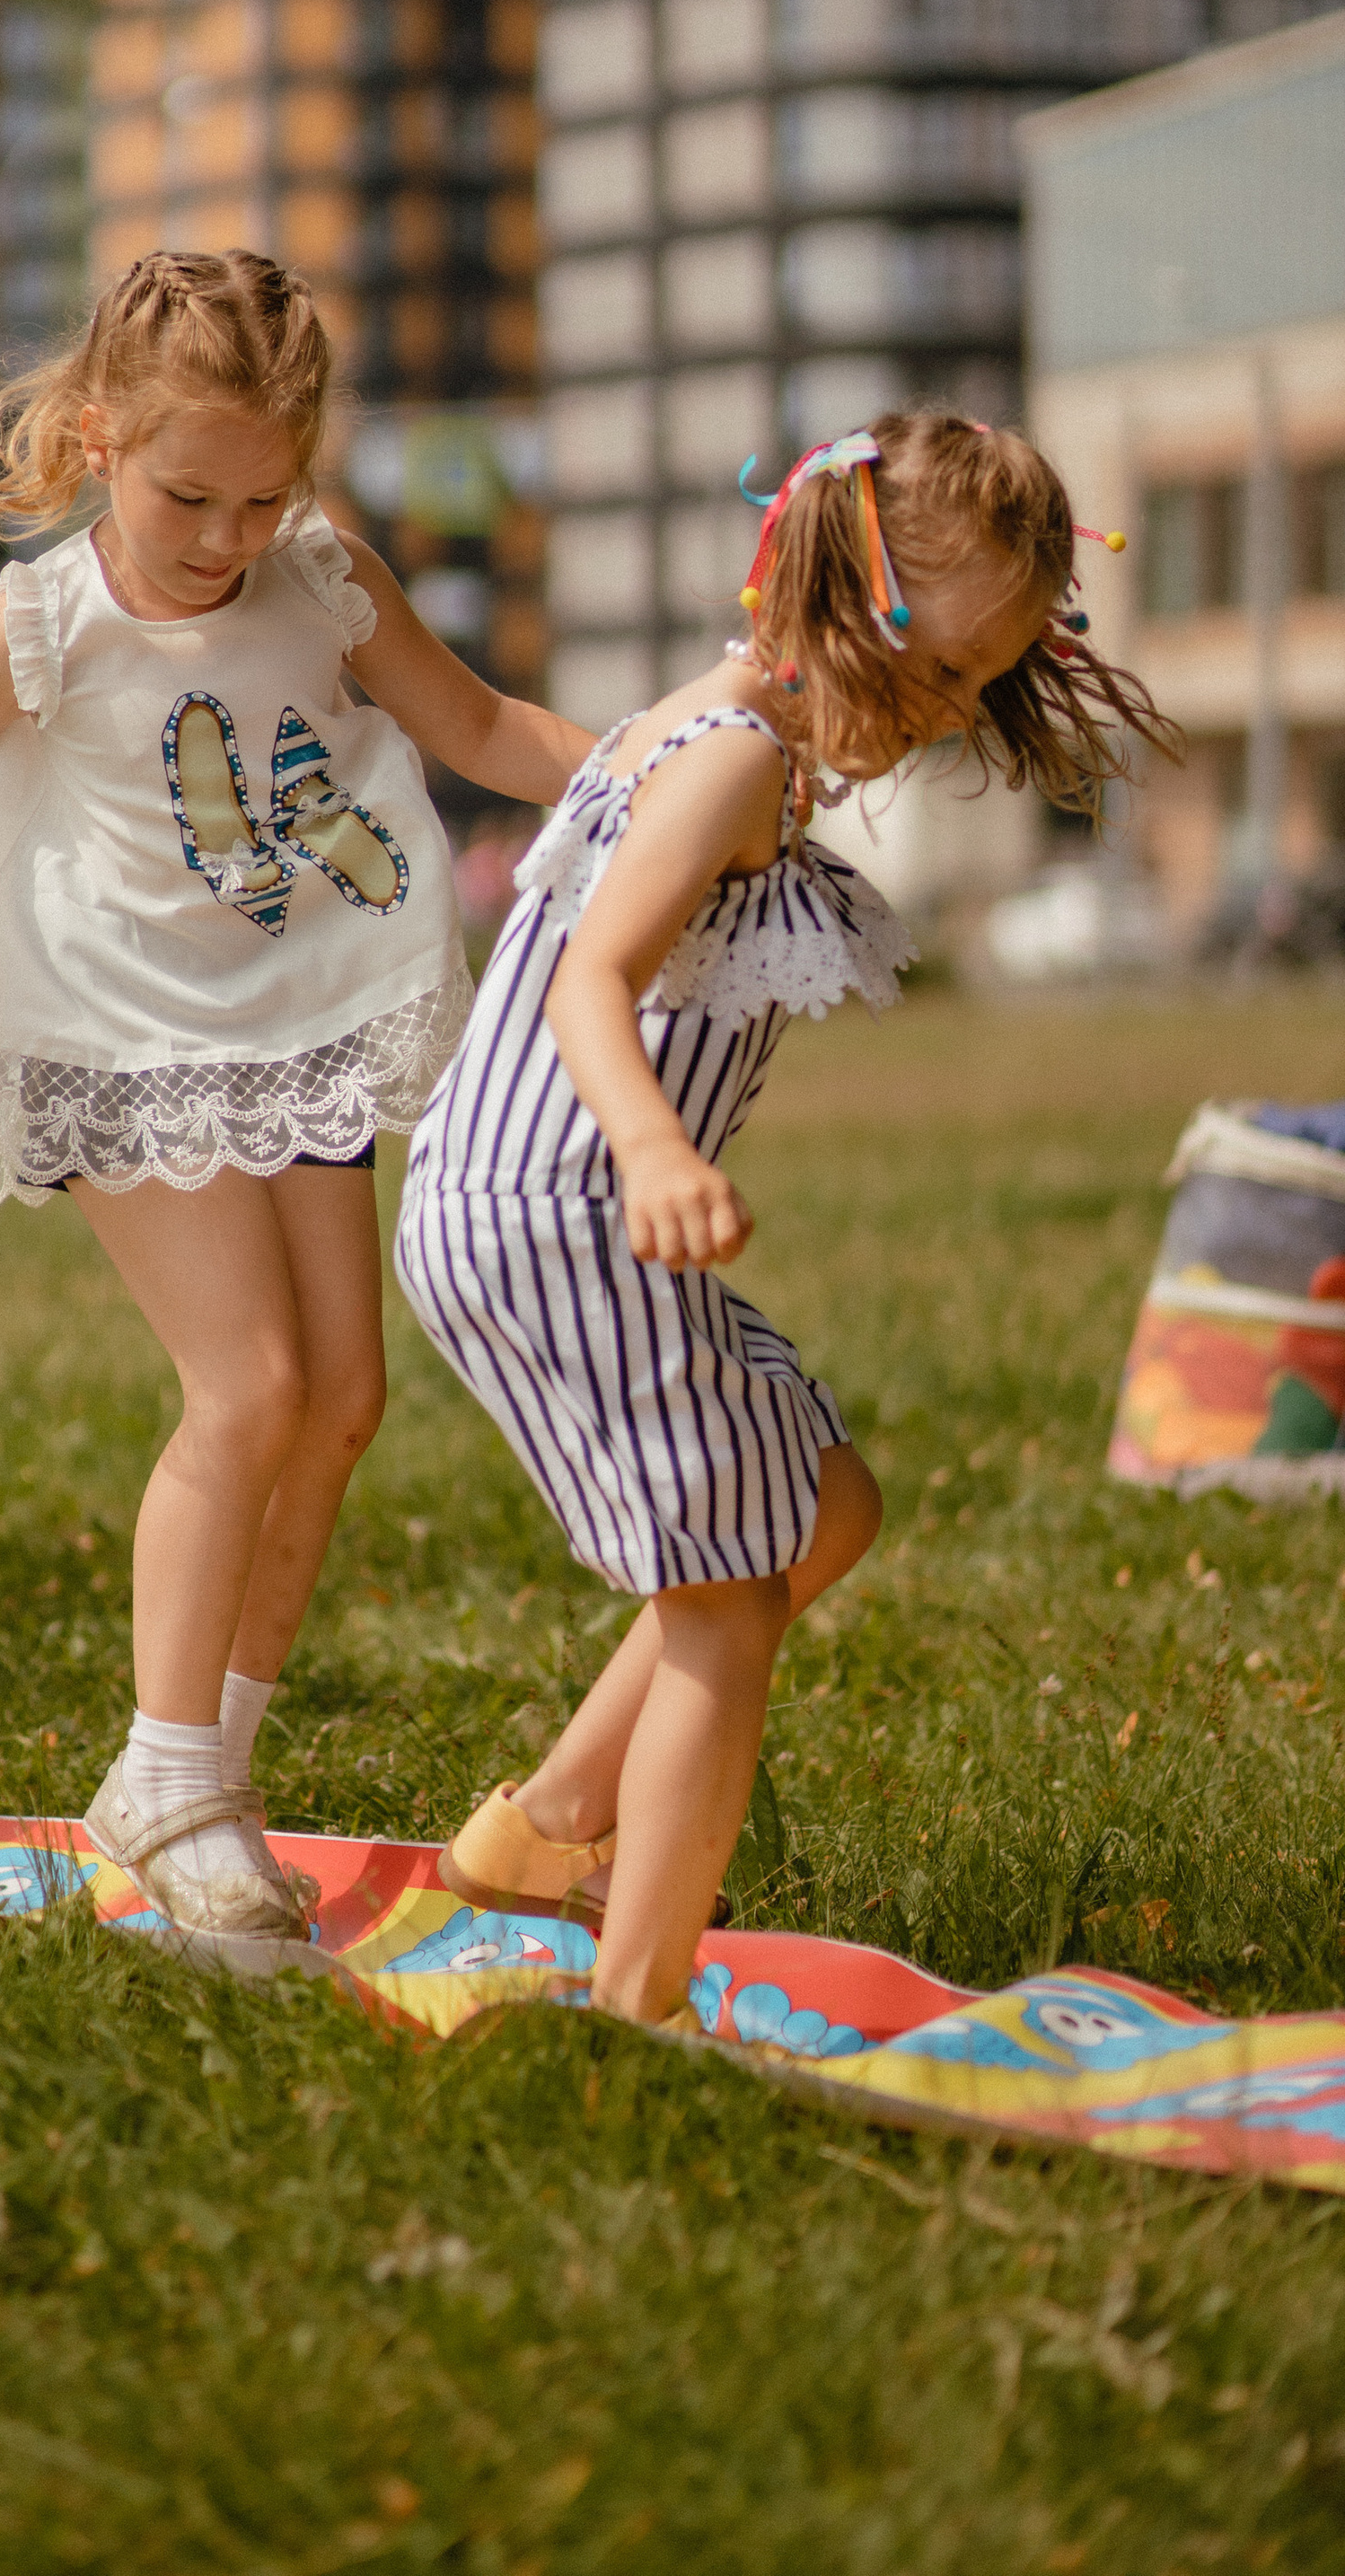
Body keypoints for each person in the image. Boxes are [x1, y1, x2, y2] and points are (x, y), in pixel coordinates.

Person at [0, 248, 593, 1938]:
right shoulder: (44, 617)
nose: (223, 537)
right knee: (252, 1384)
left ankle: (204, 1766)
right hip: (115, 1029)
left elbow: (484, 725)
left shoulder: (322, 578)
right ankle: (170, 1767)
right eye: (190, 493)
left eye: (262, 498)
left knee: (344, 1393)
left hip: (288, 1009)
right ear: (100, 435)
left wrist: (670, 757)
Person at [395, 413, 1177, 2034]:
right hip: (569, 1209)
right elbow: (595, 980)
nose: (954, 714)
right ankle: (640, 2002)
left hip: (526, 1208)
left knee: (821, 1507)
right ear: (844, 600)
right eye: (941, 671)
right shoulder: (739, 757)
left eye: (984, 684)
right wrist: (656, 1152)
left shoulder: (720, 714)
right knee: (730, 1603)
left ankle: (538, 1831)